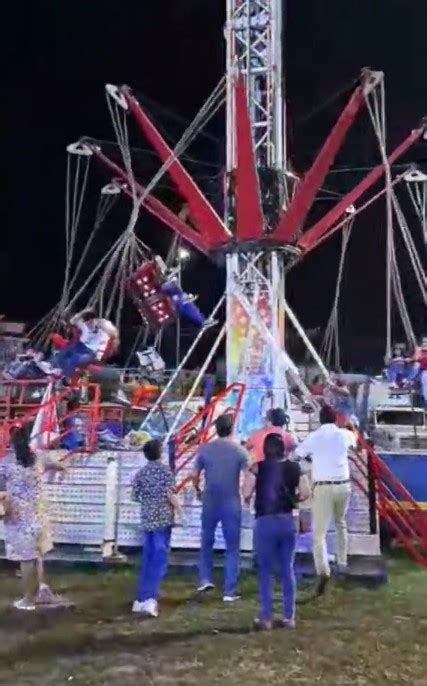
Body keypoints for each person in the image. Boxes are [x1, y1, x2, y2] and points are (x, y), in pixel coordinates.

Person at [244, 433, 310, 630]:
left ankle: (265, 617)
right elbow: (306, 492)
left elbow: (246, 492)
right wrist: (294, 499)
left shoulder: (257, 467)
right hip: (287, 521)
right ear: (284, 449)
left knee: (265, 569)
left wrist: (249, 497)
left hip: (265, 521)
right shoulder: (294, 467)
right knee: (287, 568)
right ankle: (289, 616)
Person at [0, 426, 68, 611]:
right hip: (39, 514)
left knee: (26, 560)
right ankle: (42, 590)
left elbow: (2, 494)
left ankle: (28, 600)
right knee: (37, 555)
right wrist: (62, 472)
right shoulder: (39, 457)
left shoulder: (6, 463)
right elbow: (60, 465)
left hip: (19, 518)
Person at [295, 405, 356, 596]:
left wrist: (312, 461)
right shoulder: (344, 434)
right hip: (344, 484)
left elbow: (297, 454)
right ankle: (342, 562)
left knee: (319, 533)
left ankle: (323, 570)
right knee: (341, 523)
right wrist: (351, 426)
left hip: (323, 485)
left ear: (320, 419)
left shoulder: (314, 437)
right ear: (335, 418)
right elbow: (355, 440)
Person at [193, 413, 249, 601]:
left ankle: (204, 579)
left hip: (210, 498)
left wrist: (198, 490)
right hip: (231, 500)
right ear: (231, 429)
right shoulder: (240, 451)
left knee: (206, 539)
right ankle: (229, 590)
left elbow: (195, 475)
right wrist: (247, 494)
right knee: (232, 546)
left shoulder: (205, 449)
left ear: (215, 429)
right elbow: (249, 473)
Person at [131, 439, 181, 618]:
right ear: (160, 453)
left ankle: (141, 598)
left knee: (148, 558)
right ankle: (151, 598)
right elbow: (170, 494)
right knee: (159, 559)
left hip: (147, 520)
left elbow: (135, 496)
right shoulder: (165, 472)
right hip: (162, 520)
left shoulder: (141, 473)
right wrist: (179, 511)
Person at [51, 309, 119, 378]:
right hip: (83, 348)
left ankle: (66, 376)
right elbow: (73, 322)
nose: (89, 323)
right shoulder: (85, 328)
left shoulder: (101, 333)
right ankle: (55, 369)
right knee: (63, 354)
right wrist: (83, 312)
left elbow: (103, 344)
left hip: (90, 353)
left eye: (91, 322)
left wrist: (98, 356)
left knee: (72, 358)